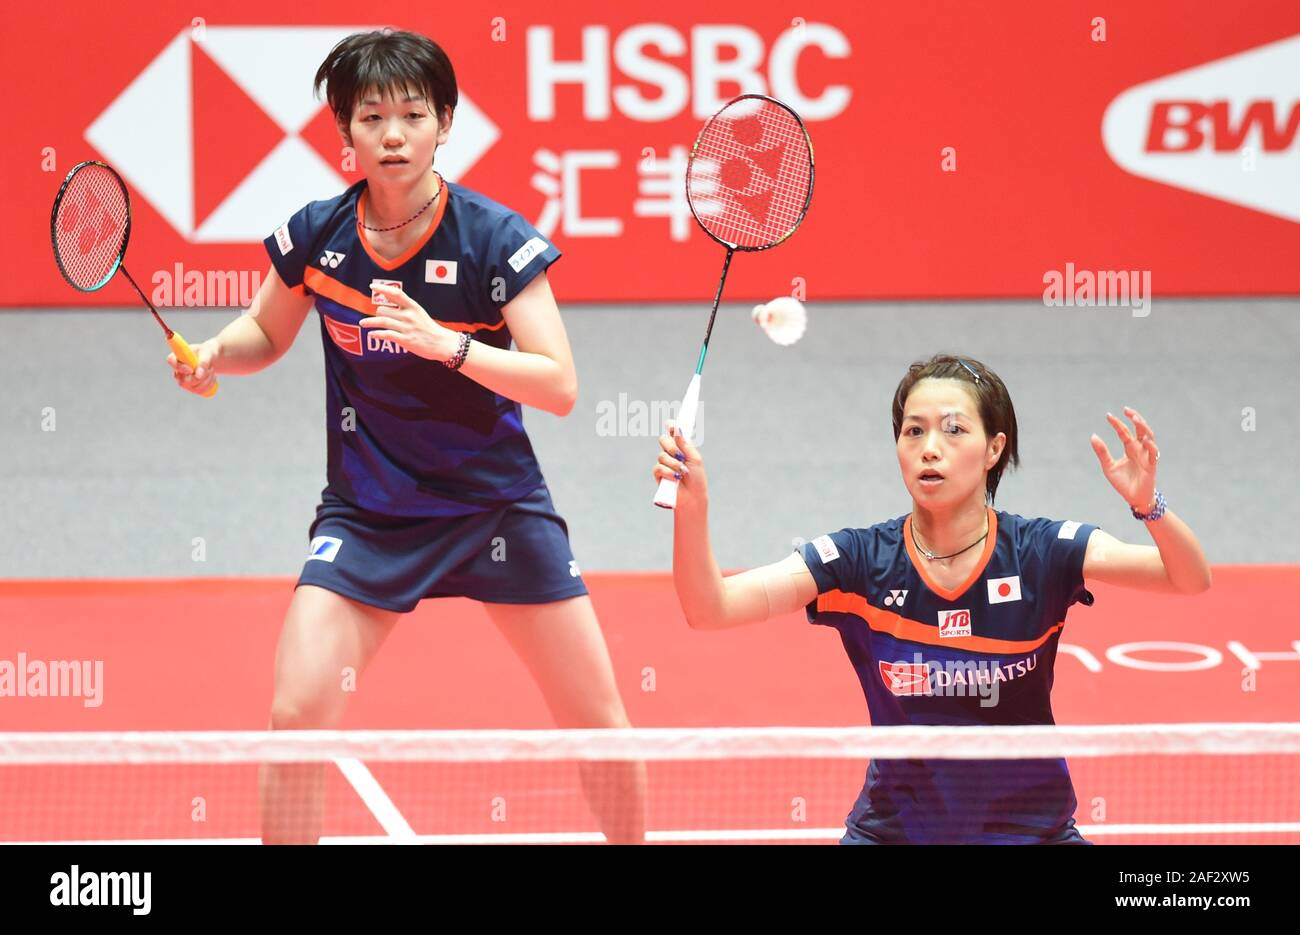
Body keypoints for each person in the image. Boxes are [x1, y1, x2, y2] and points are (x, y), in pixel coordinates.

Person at [169, 28, 645, 844]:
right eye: (371, 117)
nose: (392, 135)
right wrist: (215, 352)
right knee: (295, 715)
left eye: (413, 115)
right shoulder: (319, 237)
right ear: (343, 132)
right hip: (369, 514)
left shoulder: (492, 239)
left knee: (598, 718)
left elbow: (560, 384)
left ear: (446, 123)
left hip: (497, 509)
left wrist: (450, 345)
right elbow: (264, 332)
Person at [652, 353, 1211, 844]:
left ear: (995, 449)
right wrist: (693, 511)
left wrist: (1149, 505)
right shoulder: (859, 562)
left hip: (1028, 829)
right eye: (913, 432)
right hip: (896, 831)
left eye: (952, 431)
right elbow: (710, 609)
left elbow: (1188, 578)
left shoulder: (1041, 551)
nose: (929, 449)